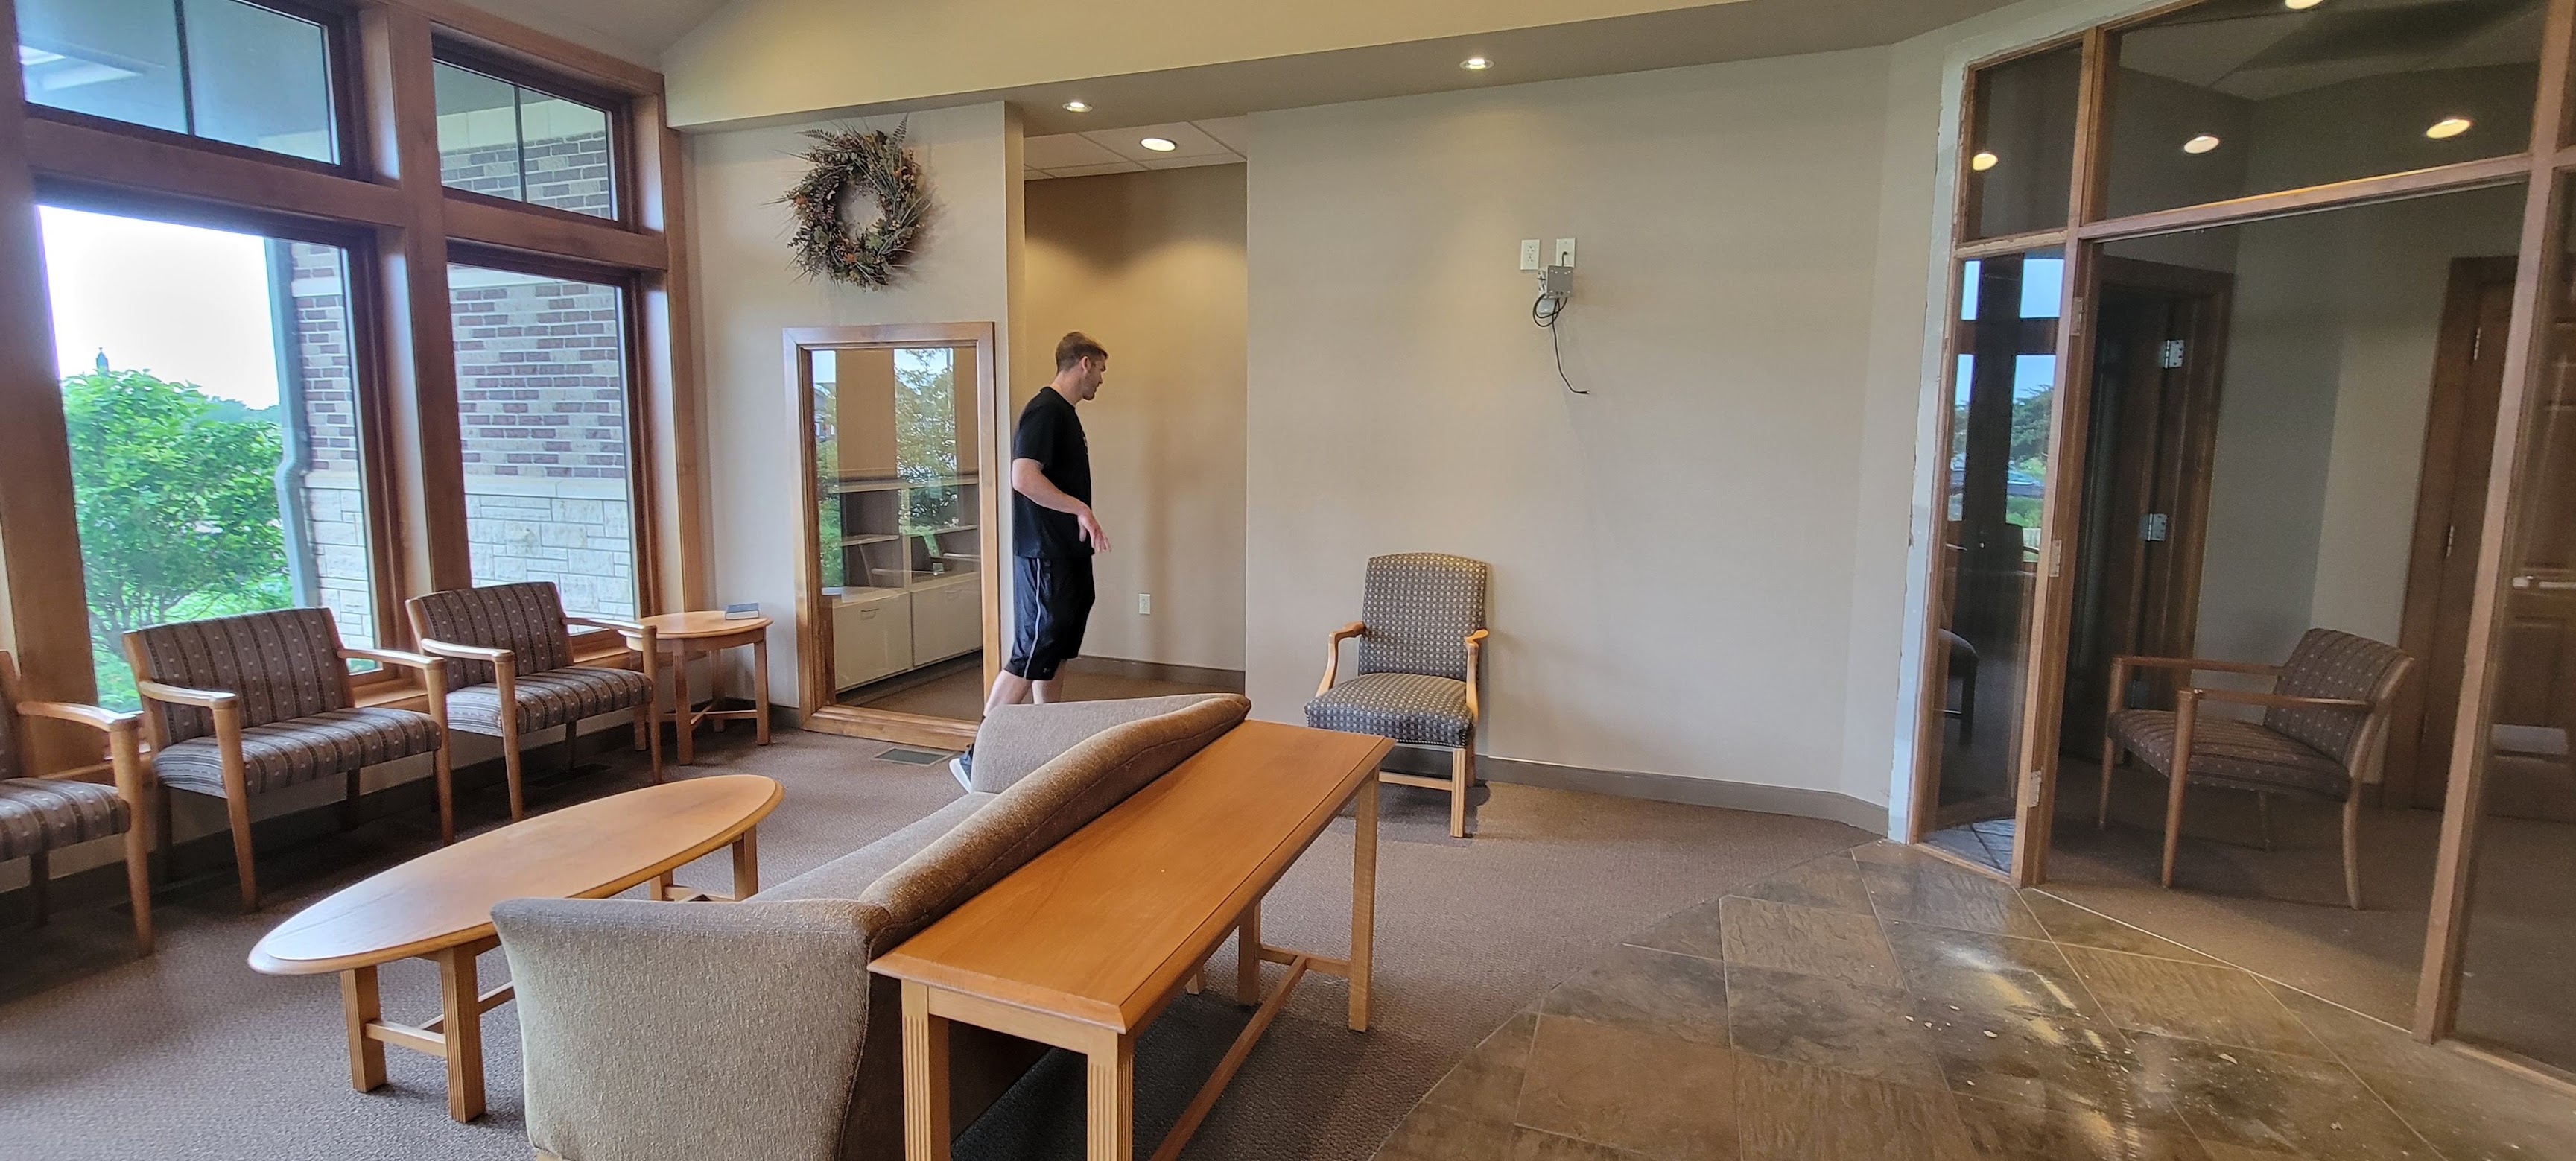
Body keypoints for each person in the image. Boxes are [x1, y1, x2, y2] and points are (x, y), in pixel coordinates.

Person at [953, 332, 1110, 786]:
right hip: (1045, 555)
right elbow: (1023, 477)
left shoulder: (1065, 414)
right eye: (1101, 370)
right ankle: (977, 756)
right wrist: (1081, 509)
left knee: (1054, 649)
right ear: (1083, 363)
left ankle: (1044, 741)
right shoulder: (1045, 410)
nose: (1102, 380)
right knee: (1031, 651)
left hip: (1065, 553)